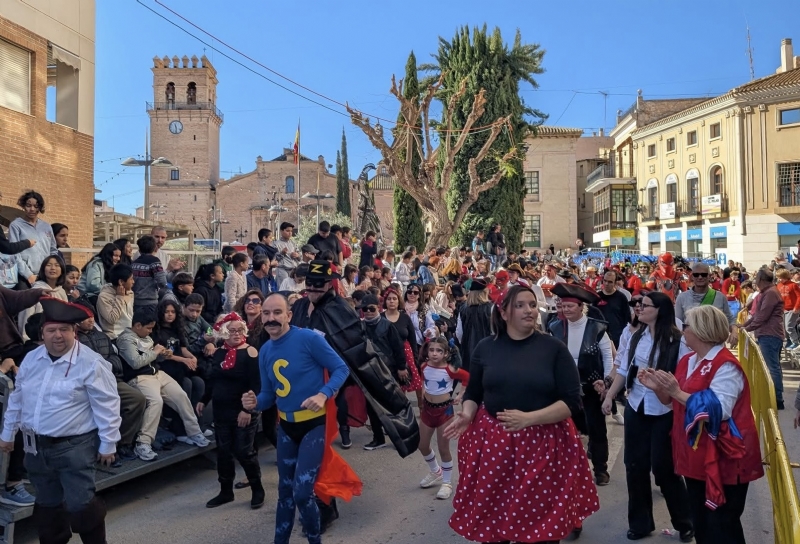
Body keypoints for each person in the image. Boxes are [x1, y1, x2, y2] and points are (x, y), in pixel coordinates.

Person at [445, 286, 599, 543]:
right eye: (520, 305)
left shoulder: (553, 348)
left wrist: (529, 419)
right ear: (503, 312)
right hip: (495, 442)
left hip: (544, 442)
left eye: (531, 304)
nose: (529, 310)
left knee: (541, 523)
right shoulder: (486, 347)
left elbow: (572, 402)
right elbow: (474, 391)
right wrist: (468, 413)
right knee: (496, 518)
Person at [0, 297, 121, 544]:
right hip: (36, 448)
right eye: (51, 330)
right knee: (47, 507)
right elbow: (18, 398)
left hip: (74, 447)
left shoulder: (92, 363)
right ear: (41, 333)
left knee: (81, 506)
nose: (58, 336)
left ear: (74, 332)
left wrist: (109, 444)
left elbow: (108, 406)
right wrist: (7, 434)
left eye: (64, 330)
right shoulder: (32, 358)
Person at [639, 305, 763, 544]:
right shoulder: (688, 360)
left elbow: (718, 410)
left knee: (722, 525)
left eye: (686, 326)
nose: (682, 331)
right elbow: (673, 403)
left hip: (724, 459)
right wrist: (659, 390)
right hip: (696, 457)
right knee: (702, 522)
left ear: (701, 331)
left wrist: (675, 391)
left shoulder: (725, 365)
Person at [243, 292, 352, 544]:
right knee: (285, 492)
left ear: (289, 315)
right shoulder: (265, 350)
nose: (271, 318)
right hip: (287, 428)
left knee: (302, 493)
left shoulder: (308, 339)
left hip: (313, 425)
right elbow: (269, 395)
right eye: (267, 313)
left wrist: (324, 394)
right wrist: (254, 403)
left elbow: (341, 368)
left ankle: (315, 540)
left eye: (277, 312)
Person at [602, 292, 694, 541]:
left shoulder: (679, 341)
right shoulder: (635, 336)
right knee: (634, 466)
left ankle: (685, 521)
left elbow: (686, 377)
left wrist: (664, 388)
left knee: (664, 469)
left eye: (644, 305)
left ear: (660, 310)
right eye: (637, 305)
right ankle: (640, 524)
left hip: (665, 410)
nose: (638, 308)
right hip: (636, 406)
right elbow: (624, 369)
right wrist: (610, 396)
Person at [117, 307, 210, 462]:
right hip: (140, 377)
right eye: (148, 328)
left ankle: (194, 432)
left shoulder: (146, 337)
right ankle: (143, 443)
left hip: (157, 373)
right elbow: (135, 362)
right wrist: (155, 352)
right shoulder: (126, 339)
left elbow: (155, 355)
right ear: (137, 325)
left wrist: (163, 353)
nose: (150, 331)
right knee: (156, 401)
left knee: (180, 395)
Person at [549, 283, 614, 486]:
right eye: (563, 306)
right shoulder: (555, 327)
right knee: (569, 428)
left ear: (581, 307)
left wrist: (606, 382)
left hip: (592, 386)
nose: (566, 310)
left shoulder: (597, 327)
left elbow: (608, 356)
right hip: (566, 388)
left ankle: (601, 469)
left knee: (596, 428)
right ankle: (569, 469)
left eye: (571, 306)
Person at [197, 313, 264, 509]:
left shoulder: (251, 353)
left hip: (243, 411)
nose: (236, 334)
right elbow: (212, 380)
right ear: (224, 333)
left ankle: (257, 488)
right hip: (221, 411)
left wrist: (247, 410)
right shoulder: (218, 353)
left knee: (244, 451)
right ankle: (225, 492)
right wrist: (204, 399)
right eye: (232, 330)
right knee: (224, 452)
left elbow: (257, 386)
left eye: (240, 330)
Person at [74, 300, 145, 463]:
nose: (91, 320)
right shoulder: (74, 339)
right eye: (85, 317)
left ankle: (123, 443)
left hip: (111, 379)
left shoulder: (101, 335)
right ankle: (100, 452)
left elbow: (115, 357)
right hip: (88, 386)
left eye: (92, 316)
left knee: (137, 399)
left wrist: (107, 367)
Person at [416, 337, 468, 500]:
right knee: (422, 445)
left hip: (444, 412)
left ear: (446, 354)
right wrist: (423, 395)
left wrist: (460, 394)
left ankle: (447, 483)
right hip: (427, 410)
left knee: (443, 448)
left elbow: (467, 377)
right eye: (431, 350)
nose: (434, 354)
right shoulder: (424, 366)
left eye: (439, 351)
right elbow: (425, 382)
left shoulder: (450, 370)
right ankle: (435, 471)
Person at [358, 293, 408, 451]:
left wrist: (401, 367)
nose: (368, 311)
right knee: (372, 406)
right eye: (364, 309)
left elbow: (398, 348)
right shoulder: (359, 327)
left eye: (371, 308)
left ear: (378, 308)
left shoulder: (387, 326)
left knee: (393, 405)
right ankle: (378, 438)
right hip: (368, 371)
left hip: (388, 371)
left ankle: (401, 437)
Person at [742, 268, 786, 409]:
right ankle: (775, 396)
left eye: (756, 280)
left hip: (770, 335)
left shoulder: (771, 293)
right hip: (768, 334)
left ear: (760, 280)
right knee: (772, 366)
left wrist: (747, 328)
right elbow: (757, 315)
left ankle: (777, 399)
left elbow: (762, 315)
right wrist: (744, 325)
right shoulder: (767, 293)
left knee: (772, 367)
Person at [674, 262, 738, 347]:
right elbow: (677, 324)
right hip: (691, 349)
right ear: (692, 276)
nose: (700, 277)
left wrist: (734, 331)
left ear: (709, 276)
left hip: (715, 348)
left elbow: (730, 319)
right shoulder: (682, 298)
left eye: (703, 274)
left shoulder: (720, 297)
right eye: (696, 275)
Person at [18, 255, 68, 341]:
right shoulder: (35, 292)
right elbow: (25, 320)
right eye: (49, 265)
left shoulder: (61, 292)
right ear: (43, 269)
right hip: (38, 341)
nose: (53, 268)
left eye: (57, 265)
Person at [9, 190, 58, 275]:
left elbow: (53, 249)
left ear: (40, 207)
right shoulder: (16, 225)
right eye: (28, 205)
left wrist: (51, 269)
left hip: (45, 274)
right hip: (25, 276)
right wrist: (28, 275)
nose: (32, 209)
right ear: (23, 206)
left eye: (36, 206)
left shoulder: (46, 226)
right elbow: (14, 253)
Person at [454, 279, 493, 373]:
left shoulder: (463, 308)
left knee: (470, 379)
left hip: (468, 350)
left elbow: (459, 333)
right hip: (488, 350)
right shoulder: (491, 308)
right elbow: (494, 331)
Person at [96, 263, 135, 340]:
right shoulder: (104, 297)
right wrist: (120, 297)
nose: (133, 282)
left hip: (130, 334)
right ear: (121, 282)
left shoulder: (130, 293)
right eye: (131, 279)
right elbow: (111, 319)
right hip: (114, 336)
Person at [594, 270, 632, 347]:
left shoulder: (621, 297)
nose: (606, 284)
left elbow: (627, 317)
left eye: (610, 282)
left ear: (615, 283)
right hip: (600, 335)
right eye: (605, 281)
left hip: (617, 336)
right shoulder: (597, 297)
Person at [131, 235, 167, 311]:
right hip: (150, 303)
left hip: (135, 302)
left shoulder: (134, 263)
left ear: (139, 250)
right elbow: (162, 282)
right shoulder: (155, 262)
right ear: (154, 248)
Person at [776, 268, 800, 350]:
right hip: (783, 309)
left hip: (792, 309)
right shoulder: (778, 285)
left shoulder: (793, 285)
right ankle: (789, 340)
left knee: (789, 326)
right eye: (778, 278)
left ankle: (795, 342)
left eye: (781, 278)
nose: (780, 279)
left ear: (786, 277)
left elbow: (799, 297)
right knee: (783, 327)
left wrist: (796, 307)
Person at [274, 221, 300, 287]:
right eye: (287, 231)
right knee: (283, 289)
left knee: (293, 289)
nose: (290, 233)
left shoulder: (293, 243)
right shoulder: (276, 244)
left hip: (293, 270)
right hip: (282, 269)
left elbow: (300, 257)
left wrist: (297, 255)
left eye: (291, 231)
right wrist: (282, 253)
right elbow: (275, 259)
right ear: (281, 231)